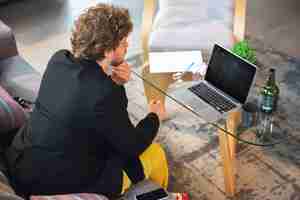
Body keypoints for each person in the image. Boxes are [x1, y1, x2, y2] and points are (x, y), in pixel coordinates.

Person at [5, 3, 168, 199]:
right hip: (48, 181)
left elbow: (89, 104)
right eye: (124, 42)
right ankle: (157, 194)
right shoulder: (104, 93)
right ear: (108, 50)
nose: (127, 46)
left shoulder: (59, 60)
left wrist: (114, 83)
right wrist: (154, 117)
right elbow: (131, 145)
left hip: (21, 160)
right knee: (156, 153)